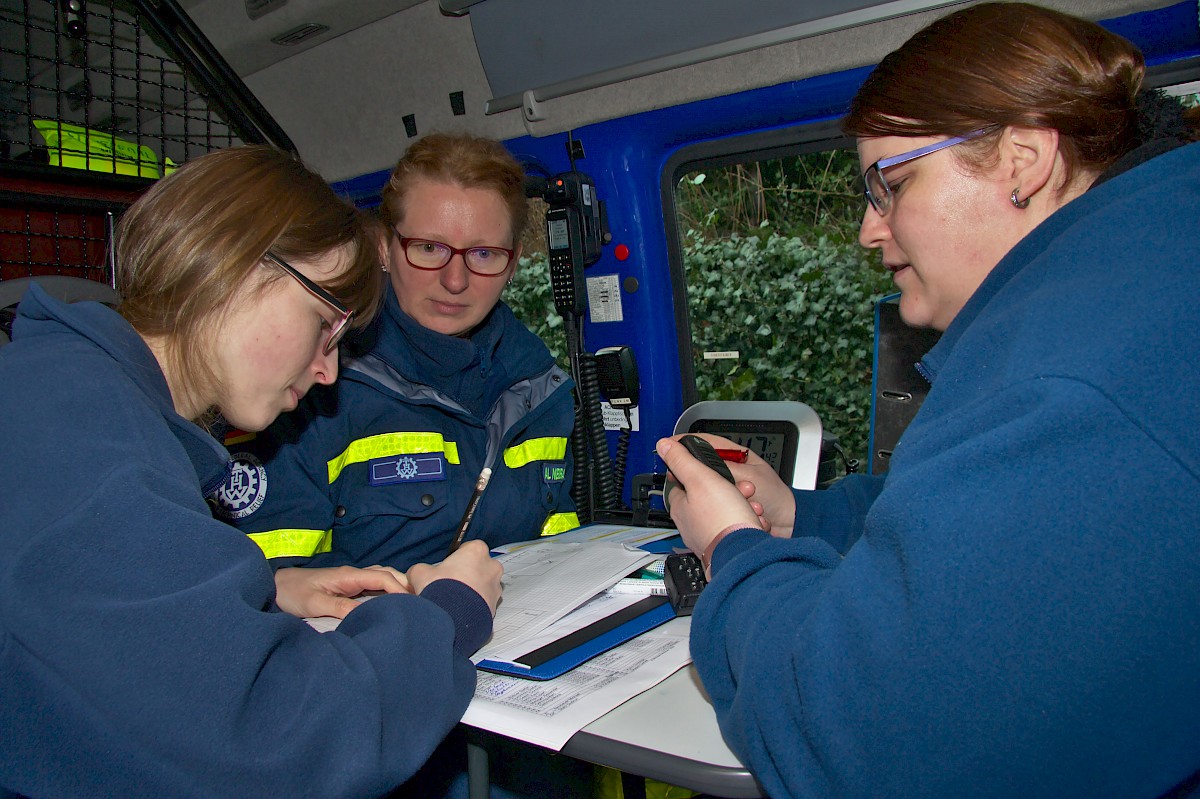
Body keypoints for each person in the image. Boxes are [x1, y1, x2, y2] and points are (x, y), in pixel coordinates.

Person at [656, 4, 1200, 797]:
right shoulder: (1131, 284)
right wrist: (803, 519)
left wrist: (733, 551)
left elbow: (848, 742)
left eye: (892, 184)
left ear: (1022, 159)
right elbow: (967, 511)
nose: (868, 232)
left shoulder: (1069, 378)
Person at [0, 145, 503, 798]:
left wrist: (270, 586)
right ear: (233, 264)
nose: (328, 370)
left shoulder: (71, 399)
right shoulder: (95, 449)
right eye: (325, 323)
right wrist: (449, 614)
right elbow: (279, 745)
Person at [214, 132, 578, 572]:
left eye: (483, 253)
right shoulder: (310, 388)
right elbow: (267, 590)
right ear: (384, 247)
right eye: (429, 248)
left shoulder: (542, 393)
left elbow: (559, 554)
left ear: (513, 262)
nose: (455, 281)